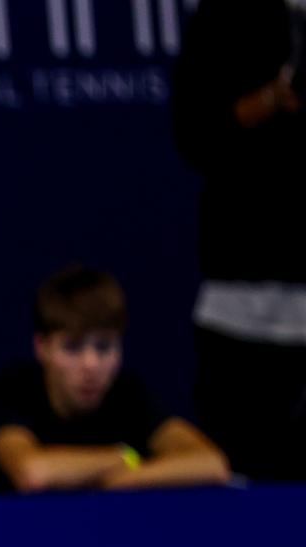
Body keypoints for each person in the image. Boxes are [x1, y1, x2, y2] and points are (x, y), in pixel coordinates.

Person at [171, 0, 306, 482]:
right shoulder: (224, 18)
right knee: (239, 483)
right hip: (238, 313)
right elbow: (195, 135)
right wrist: (273, 98)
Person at [0, 266, 230, 494]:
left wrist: (122, 478)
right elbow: (33, 472)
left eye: (103, 347)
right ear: (42, 347)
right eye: (72, 347)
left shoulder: (128, 393)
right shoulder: (14, 389)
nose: (91, 365)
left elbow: (211, 464)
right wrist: (125, 458)